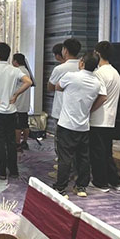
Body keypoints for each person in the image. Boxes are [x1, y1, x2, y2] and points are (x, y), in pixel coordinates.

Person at [54, 52, 107, 198]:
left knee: (65, 158)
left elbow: (57, 87)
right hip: (83, 126)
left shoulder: (71, 76)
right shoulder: (97, 82)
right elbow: (103, 97)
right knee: (83, 158)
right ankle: (81, 187)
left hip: (66, 125)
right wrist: (91, 109)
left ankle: (61, 188)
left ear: (82, 63)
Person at [0, 43, 32, 180]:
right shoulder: (14, 70)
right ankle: (13, 170)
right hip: (11, 111)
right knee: (11, 142)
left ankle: (1, 171)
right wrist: (16, 94)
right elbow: (28, 82)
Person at [90, 41, 120, 192]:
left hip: (98, 118)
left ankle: (100, 183)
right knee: (106, 152)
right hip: (110, 118)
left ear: (97, 54)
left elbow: (101, 97)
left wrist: (90, 110)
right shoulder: (115, 72)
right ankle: (116, 182)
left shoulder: (98, 73)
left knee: (97, 152)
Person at [48, 39, 81, 175]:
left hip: (61, 110)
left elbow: (50, 87)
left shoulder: (60, 69)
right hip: (80, 110)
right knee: (77, 144)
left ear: (65, 50)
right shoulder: (82, 66)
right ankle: (75, 171)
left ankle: (63, 172)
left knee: (61, 144)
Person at [12, 53, 35, 152]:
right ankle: (24, 142)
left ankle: (17, 144)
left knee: (17, 125)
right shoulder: (26, 70)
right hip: (25, 102)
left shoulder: (18, 71)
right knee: (25, 124)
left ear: (15, 61)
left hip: (18, 102)